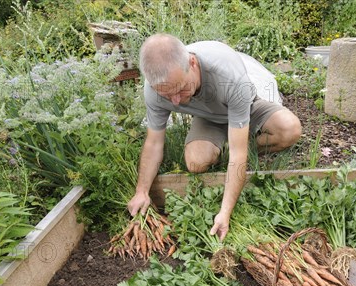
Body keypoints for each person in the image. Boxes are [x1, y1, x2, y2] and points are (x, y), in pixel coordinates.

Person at [127, 33, 302, 241]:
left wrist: (224, 213)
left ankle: (237, 138)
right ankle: (225, 142)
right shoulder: (154, 90)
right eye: (167, 96)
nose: (175, 102)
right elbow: (154, 142)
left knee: (289, 129)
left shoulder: (228, 76)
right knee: (195, 163)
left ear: (192, 63)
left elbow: (238, 156)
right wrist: (142, 191)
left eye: (181, 89)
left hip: (243, 108)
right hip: (208, 118)